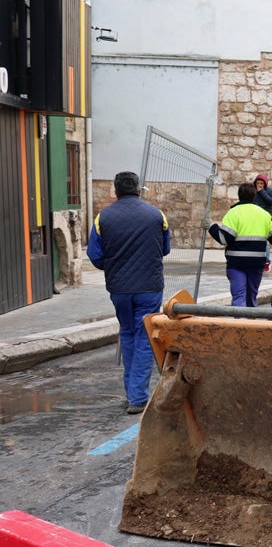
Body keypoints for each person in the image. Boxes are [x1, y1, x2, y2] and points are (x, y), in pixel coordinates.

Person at [86, 171, 171, 415]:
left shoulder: (103, 217)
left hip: (119, 288)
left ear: (115, 191)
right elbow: (165, 249)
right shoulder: (157, 215)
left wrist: (113, 266)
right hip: (149, 286)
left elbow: (95, 255)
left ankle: (131, 393)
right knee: (144, 336)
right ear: (138, 189)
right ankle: (137, 397)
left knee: (127, 334)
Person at [210, 182, 272, 307]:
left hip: (236, 264)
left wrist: (211, 227)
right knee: (251, 297)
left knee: (239, 296)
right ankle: (251, 323)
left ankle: (239, 323)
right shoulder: (264, 215)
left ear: (239, 196)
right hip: (256, 264)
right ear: (254, 196)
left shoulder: (233, 213)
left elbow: (224, 239)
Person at [252, 173, 272, 271]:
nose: (259, 185)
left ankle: (267, 260)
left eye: (261, 183)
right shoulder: (253, 192)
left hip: (266, 218)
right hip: (255, 218)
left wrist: (262, 192)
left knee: (265, 239)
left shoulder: (270, 191)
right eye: (258, 183)